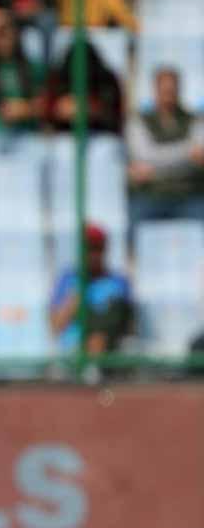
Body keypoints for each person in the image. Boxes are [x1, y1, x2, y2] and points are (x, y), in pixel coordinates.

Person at [126, 67, 204, 227]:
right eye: (164, 90)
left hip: (189, 195)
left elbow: (199, 155)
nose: (168, 94)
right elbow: (144, 155)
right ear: (155, 90)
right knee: (133, 228)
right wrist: (187, 153)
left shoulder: (195, 120)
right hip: (150, 195)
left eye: (172, 90)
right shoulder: (138, 121)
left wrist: (153, 169)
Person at [49, 222, 133, 355]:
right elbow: (56, 327)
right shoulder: (68, 280)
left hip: (106, 355)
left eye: (97, 248)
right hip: (72, 355)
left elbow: (127, 328)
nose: (92, 255)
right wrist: (77, 295)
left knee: (98, 338)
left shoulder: (118, 282)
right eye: (88, 249)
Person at [41, 39, 124, 134]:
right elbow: (47, 110)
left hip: (100, 135)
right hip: (62, 137)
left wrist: (88, 107)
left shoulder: (106, 81)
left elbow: (113, 112)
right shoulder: (57, 79)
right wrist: (60, 108)